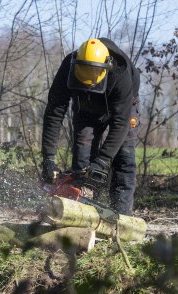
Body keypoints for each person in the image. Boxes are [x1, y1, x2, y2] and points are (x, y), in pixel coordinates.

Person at [41, 37, 140, 216]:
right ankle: (81, 212)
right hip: (85, 107)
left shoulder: (120, 73)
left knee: (124, 159)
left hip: (123, 109)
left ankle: (122, 216)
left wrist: (102, 161)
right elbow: (54, 113)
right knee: (82, 162)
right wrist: (48, 158)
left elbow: (120, 123)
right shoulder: (67, 67)